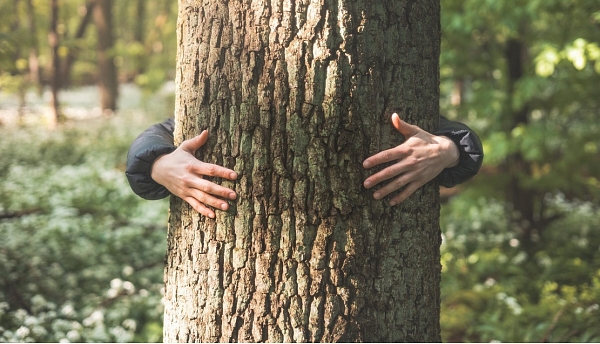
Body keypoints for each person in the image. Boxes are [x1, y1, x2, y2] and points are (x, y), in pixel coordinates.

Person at [126, 113, 483, 218]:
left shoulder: (384, 101)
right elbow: (156, 135)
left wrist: (447, 150)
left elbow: (458, 138)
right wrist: (158, 164)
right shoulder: (219, 103)